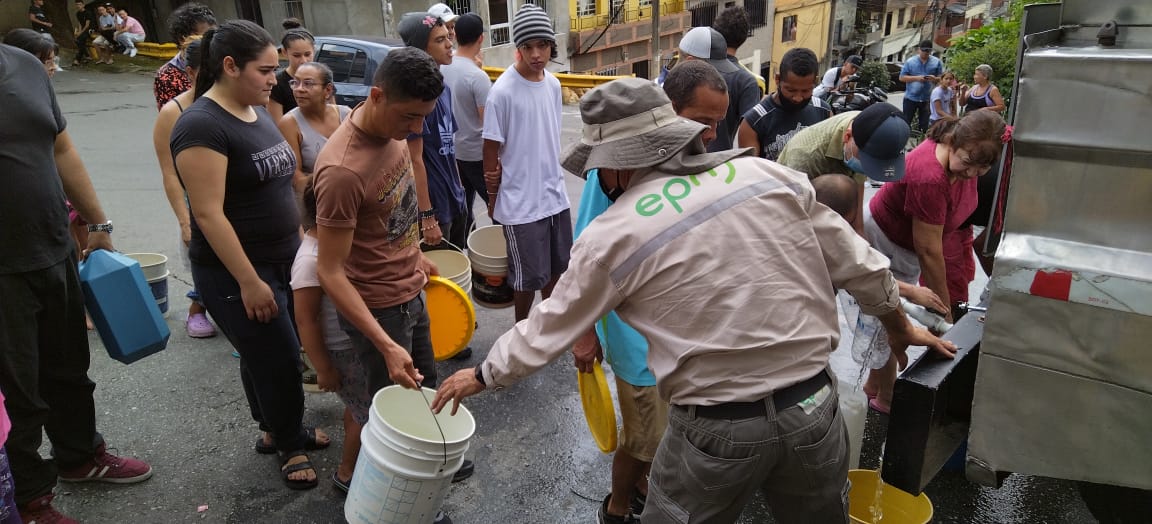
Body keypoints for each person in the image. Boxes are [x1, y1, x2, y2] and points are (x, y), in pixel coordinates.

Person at [431, 77, 956, 523]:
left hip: (716, 431)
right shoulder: (766, 175)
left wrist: (481, 375)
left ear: (614, 165)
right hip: (815, 409)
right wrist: (897, 323)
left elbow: (550, 325)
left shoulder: (613, 234)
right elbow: (860, 263)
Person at [171, 19, 329, 490]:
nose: (274, 80)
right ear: (229, 66)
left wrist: (304, 239)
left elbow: (283, 181)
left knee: (264, 350)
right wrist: (248, 281)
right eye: (265, 70)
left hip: (283, 255)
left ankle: (271, 426)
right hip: (238, 269)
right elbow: (208, 214)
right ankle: (289, 442)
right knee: (279, 354)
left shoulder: (254, 110)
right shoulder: (201, 125)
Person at [1, 41, 154, 524]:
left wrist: (99, 225)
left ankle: (79, 458)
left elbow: (61, 147)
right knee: (17, 392)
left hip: (54, 248)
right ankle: (27, 498)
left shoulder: (23, 64)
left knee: (69, 368)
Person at [312, 46, 461, 524]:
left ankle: (428, 470)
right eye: (410, 116)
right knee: (391, 414)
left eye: (423, 117)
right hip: (377, 310)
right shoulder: (341, 171)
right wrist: (383, 343)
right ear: (377, 95)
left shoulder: (395, 134)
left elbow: (397, 209)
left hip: (410, 290)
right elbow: (329, 271)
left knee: (428, 388)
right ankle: (391, 506)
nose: (415, 127)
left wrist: (416, 255)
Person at [575, 60, 728, 524]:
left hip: (676, 334)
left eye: (718, 123)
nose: (713, 136)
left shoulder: (685, 164)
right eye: (704, 122)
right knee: (643, 439)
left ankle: (642, 484)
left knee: (663, 434)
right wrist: (584, 334)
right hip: (635, 341)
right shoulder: (612, 174)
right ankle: (618, 507)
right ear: (668, 116)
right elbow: (582, 261)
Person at [862, 111, 1006, 412]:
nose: (970, 174)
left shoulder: (965, 155)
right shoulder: (929, 176)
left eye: (981, 170)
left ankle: (874, 385)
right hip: (887, 242)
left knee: (892, 315)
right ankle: (886, 398)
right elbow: (928, 250)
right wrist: (945, 313)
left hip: (909, 247)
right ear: (953, 141)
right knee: (890, 319)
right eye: (966, 164)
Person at [483, 4, 573, 323]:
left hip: (554, 196)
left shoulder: (553, 85)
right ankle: (521, 328)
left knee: (556, 270)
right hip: (521, 204)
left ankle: (548, 327)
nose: (536, 54)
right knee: (524, 280)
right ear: (518, 49)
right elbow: (491, 152)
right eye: (528, 47)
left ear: (551, 45)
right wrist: (494, 199)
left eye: (542, 45)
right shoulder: (502, 93)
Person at [152, 37, 223, 342]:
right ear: (190, 72)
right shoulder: (173, 112)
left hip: (231, 196)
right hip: (194, 200)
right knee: (202, 258)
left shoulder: (231, 101)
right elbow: (169, 173)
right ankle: (197, 310)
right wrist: (184, 220)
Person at [777, 103, 911, 234]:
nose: (866, 169)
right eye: (867, 162)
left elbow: (857, 195)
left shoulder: (870, 127)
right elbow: (790, 219)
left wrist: (859, 233)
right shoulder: (805, 157)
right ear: (847, 137)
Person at [398, 12, 467, 249]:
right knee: (438, 275)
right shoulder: (416, 98)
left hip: (455, 198)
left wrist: (460, 190)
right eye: (439, 40)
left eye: (448, 36)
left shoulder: (444, 89)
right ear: (420, 49)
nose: (450, 44)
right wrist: (427, 216)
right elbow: (414, 160)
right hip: (434, 207)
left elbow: (450, 146)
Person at [441, 12, 491, 232]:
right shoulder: (477, 77)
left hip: (453, 151)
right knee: (497, 207)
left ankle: (466, 253)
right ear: (481, 38)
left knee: (463, 206)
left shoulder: (444, 65)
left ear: (455, 35)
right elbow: (489, 126)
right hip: (477, 154)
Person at [736, 47, 832, 161]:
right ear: (777, 79)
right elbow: (751, 172)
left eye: (805, 91)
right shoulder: (754, 122)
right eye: (790, 90)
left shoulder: (823, 111)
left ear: (815, 82)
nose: (798, 98)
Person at [676, 26, 757, 152]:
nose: (712, 135)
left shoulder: (719, 94)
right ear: (690, 62)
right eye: (712, 69)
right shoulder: (660, 96)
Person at [277, 61, 351, 195]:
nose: (299, 89)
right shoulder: (289, 123)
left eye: (308, 83)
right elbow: (296, 178)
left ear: (327, 90)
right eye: (295, 82)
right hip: (314, 199)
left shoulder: (346, 115)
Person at [711, 7, 763, 148]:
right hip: (723, 164)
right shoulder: (747, 81)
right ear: (744, 38)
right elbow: (752, 129)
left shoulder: (695, 65)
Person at [154, 2, 216, 110]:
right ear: (182, 39)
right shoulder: (167, 76)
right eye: (205, 36)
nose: (212, 41)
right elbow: (171, 119)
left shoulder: (224, 61)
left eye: (215, 35)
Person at [268, 27, 315, 122]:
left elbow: (334, 116)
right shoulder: (277, 83)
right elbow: (277, 125)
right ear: (285, 52)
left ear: (314, 50)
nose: (303, 61)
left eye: (307, 54)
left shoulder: (323, 77)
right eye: (296, 55)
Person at [898, 40, 943, 133]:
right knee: (906, 122)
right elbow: (902, 78)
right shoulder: (910, 61)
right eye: (924, 50)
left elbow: (942, 78)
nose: (926, 53)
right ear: (919, 50)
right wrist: (917, 78)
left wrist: (934, 78)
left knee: (924, 125)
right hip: (911, 98)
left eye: (928, 51)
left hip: (927, 98)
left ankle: (921, 142)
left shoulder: (936, 62)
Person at [72, 0, 92, 66]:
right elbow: (80, 23)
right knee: (78, 41)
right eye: (77, 4)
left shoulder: (87, 13)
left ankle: (78, 59)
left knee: (80, 41)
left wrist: (80, 33)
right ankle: (87, 56)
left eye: (80, 4)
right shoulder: (78, 13)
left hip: (89, 30)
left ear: (83, 5)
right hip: (83, 30)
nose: (78, 6)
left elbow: (87, 25)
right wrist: (78, 32)